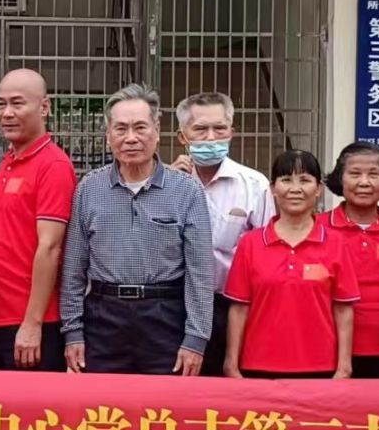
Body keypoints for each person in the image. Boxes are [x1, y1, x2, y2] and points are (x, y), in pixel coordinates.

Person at [61, 84, 214, 376]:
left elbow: (201, 272)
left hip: (165, 318)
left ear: (157, 131)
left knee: (164, 402)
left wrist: (196, 338)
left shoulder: (187, 191)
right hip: (103, 319)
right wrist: (73, 331)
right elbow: (73, 269)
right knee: (101, 402)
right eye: (121, 129)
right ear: (108, 135)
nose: (130, 138)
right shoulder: (88, 189)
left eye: (140, 127)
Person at [0, 68, 75, 372]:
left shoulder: (53, 165)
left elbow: (50, 248)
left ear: (44, 107)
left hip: (27, 326)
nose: (6, 113)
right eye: (0, 104)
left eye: (17, 103)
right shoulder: (8, 161)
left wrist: (32, 324)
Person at [222, 150, 359, 380]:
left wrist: (344, 366)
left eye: (304, 180)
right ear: (273, 189)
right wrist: (231, 363)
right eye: (286, 180)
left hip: (321, 368)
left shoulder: (336, 243)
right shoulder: (250, 243)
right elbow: (239, 308)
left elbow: (343, 309)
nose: (295, 189)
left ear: (318, 188)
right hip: (257, 366)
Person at [171, 91, 273, 379]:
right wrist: (169, 184)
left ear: (232, 132)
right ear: (182, 137)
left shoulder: (254, 184)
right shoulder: (167, 183)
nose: (211, 137)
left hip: (232, 306)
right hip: (176, 304)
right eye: (200, 129)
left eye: (219, 128)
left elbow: (266, 251)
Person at [324, 142, 379, 378]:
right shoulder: (318, 229)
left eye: (373, 174)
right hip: (327, 348)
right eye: (355, 174)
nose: (364, 182)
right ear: (340, 178)